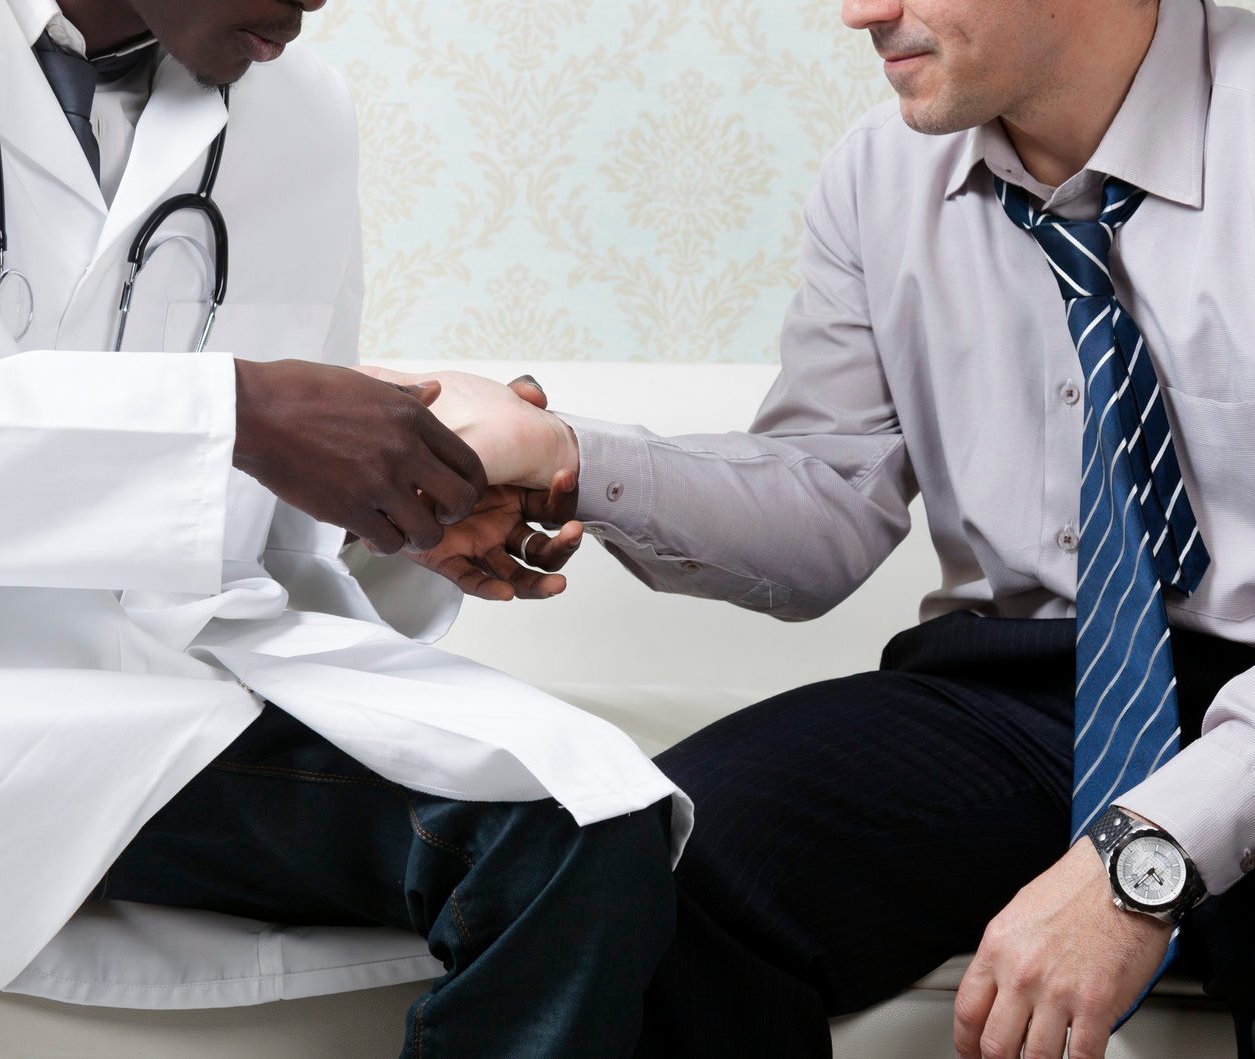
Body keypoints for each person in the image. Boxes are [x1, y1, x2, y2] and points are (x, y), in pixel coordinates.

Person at [0, 1, 688, 1055]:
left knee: (586, 822)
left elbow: (251, 517)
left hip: (188, 691)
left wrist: (402, 512)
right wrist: (235, 412)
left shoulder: (300, 109)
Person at [378, 0, 1255, 1055]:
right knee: (643, 880)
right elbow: (827, 504)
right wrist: (565, 456)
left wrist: (1144, 856)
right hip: (1021, 696)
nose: (860, 12)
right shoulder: (880, 175)